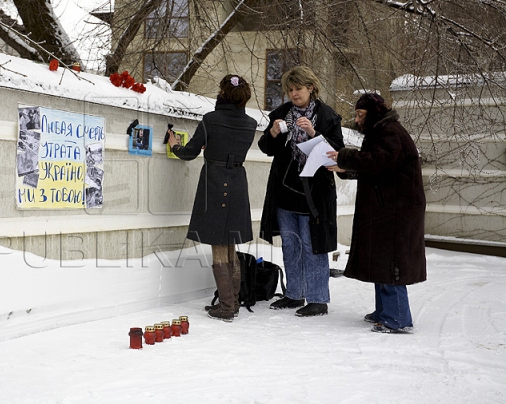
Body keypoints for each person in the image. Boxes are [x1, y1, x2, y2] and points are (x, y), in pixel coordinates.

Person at [326, 93, 426, 333]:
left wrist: (347, 156)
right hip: (386, 208)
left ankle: (397, 317)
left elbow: (383, 160)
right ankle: (384, 312)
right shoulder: (382, 131)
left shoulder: (390, 131)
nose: (358, 120)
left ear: (374, 113)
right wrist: (346, 167)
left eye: (361, 115)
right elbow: (375, 167)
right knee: (382, 260)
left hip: (396, 210)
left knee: (392, 263)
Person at [169, 74, 257, 322]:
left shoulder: (211, 120)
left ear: (223, 93)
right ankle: (234, 301)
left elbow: (189, 153)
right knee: (230, 244)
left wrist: (175, 144)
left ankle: (227, 306)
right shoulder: (250, 124)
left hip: (215, 183)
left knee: (219, 243)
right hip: (238, 182)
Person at [258, 66, 344, 317]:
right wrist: (273, 133)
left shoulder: (327, 116)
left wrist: (313, 133)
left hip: (313, 193)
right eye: (290, 90)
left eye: (299, 89)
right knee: (290, 245)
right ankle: (294, 294)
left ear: (311, 88)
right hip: (285, 190)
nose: (294, 94)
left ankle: (318, 299)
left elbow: (336, 152)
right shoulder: (281, 114)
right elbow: (266, 147)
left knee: (312, 245)